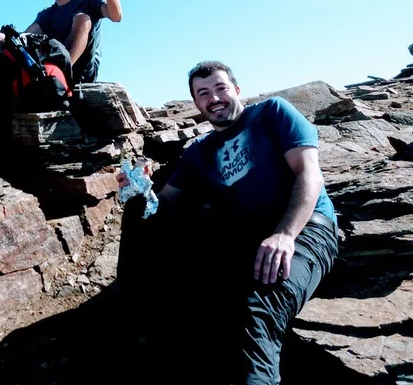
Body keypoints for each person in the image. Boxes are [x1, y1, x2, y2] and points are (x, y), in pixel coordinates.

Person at [116, 61, 338, 384]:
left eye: (220, 88)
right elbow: (164, 206)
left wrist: (285, 235)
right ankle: (134, 333)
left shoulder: (271, 113)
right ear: (197, 104)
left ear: (236, 90)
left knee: (258, 307)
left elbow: (310, 174)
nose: (214, 98)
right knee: (138, 215)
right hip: (246, 236)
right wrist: (139, 188)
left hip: (305, 229)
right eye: (204, 93)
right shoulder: (198, 153)